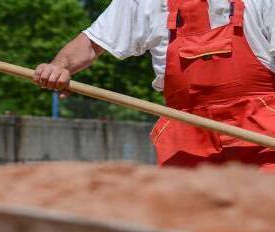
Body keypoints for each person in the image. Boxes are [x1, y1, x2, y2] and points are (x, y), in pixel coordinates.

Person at [34, 0, 275, 169]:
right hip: (186, 133)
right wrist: (60, 66)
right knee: (186, 219)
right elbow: (92, 42)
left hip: (261, 127)